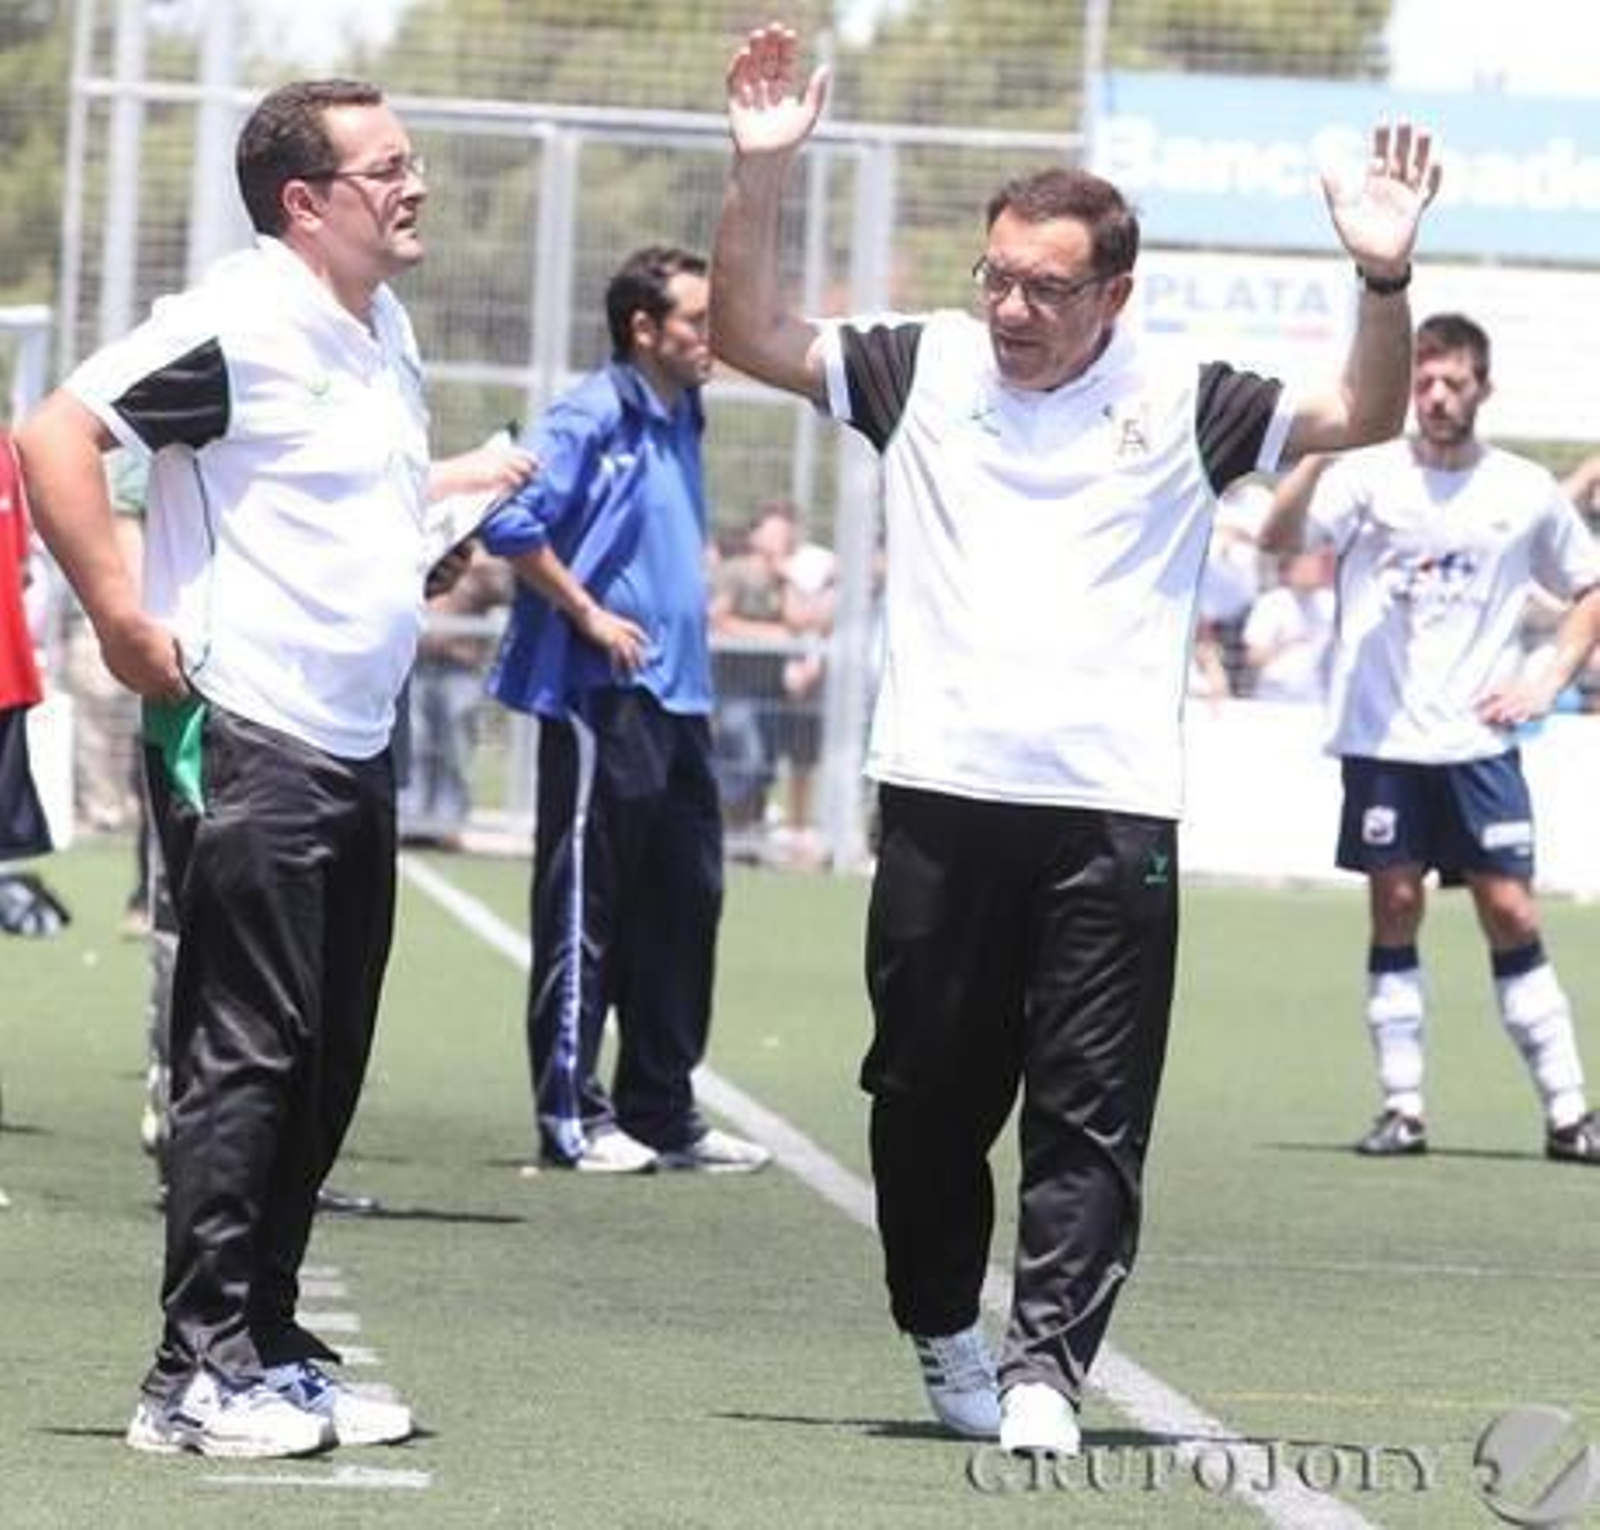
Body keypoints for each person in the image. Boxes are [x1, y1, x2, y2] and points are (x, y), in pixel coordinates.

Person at [711, 21, 1439, 1456]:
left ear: (1114, 294)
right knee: (923, 1099)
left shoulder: (1187, 399)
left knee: (1090, 1107)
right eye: (997, 276)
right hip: (940, 799)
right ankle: (943, 1321)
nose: (1013, 308)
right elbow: (748, 335)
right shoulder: (917, 366)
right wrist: (761, 174)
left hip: (1111, 813)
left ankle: (1047, 1361)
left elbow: (1363, 410)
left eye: (1047, 287)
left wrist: (1382, 275)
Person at [16, 77, 531, 1460]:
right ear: (305, 203)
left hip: (353, 739)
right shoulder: (234, 322)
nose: (415, 187)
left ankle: (269, 1346)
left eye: (413, 160)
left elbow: (344, 510)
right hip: (250, 732)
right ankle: (193, 1377)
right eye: (386, 169)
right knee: (245, 1053)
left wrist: (432, 538)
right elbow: (53, 436)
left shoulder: (382, 328)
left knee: (322, 1057)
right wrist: (120, 615)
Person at [1261, 312, 1600, 1167]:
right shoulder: (1365, 477)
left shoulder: (1522, 489)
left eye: (1454, 382)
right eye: (1425, 382)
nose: (1438, 397)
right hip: (1383, 742)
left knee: (1511, 910)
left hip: (1480, 745)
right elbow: (1278, 541)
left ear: (1483, 387)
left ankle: (1569, 1114)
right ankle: (1403, 1107)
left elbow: (1589, 588)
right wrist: (1320, 454)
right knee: (1396, 905)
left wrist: (1546, 681)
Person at [478, 246, 771, 1176]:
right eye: (696, 321)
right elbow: (506, 517)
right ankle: (571, 1114)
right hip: (600, 694)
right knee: (586, 906)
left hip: (680, 697)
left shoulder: (685, 411)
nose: (713, 337)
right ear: (643, 329)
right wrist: (587, 611)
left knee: (686, 903)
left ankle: (663, 1109)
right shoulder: (589, 413)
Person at [1241, 545, 1336, 703]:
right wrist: (1288, 643)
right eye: (1303, 568)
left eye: (1313, 567)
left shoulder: (1330, 603)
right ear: (1288, 572)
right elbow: (1254, 657)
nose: (1310, 572)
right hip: (1275, 694)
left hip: (1316, 696)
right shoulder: (1271, 602)